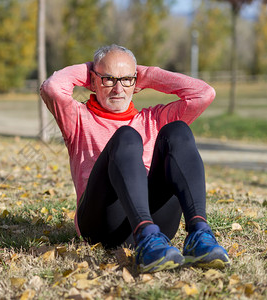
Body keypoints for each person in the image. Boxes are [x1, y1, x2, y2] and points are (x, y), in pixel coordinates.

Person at [40, 44, 230, 273]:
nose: (118, 88)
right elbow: (52, 87)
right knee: (126, 136)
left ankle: (199, 235)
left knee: (177, 130)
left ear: (136, 83)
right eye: (108, 79)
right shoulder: (78, 118)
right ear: (93, 81)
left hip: (158, 224)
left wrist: (147, 75)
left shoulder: (153, 118)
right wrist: (93, 70)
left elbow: (203, 93)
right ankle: (146, 237)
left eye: (127, 79)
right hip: (101, 225)